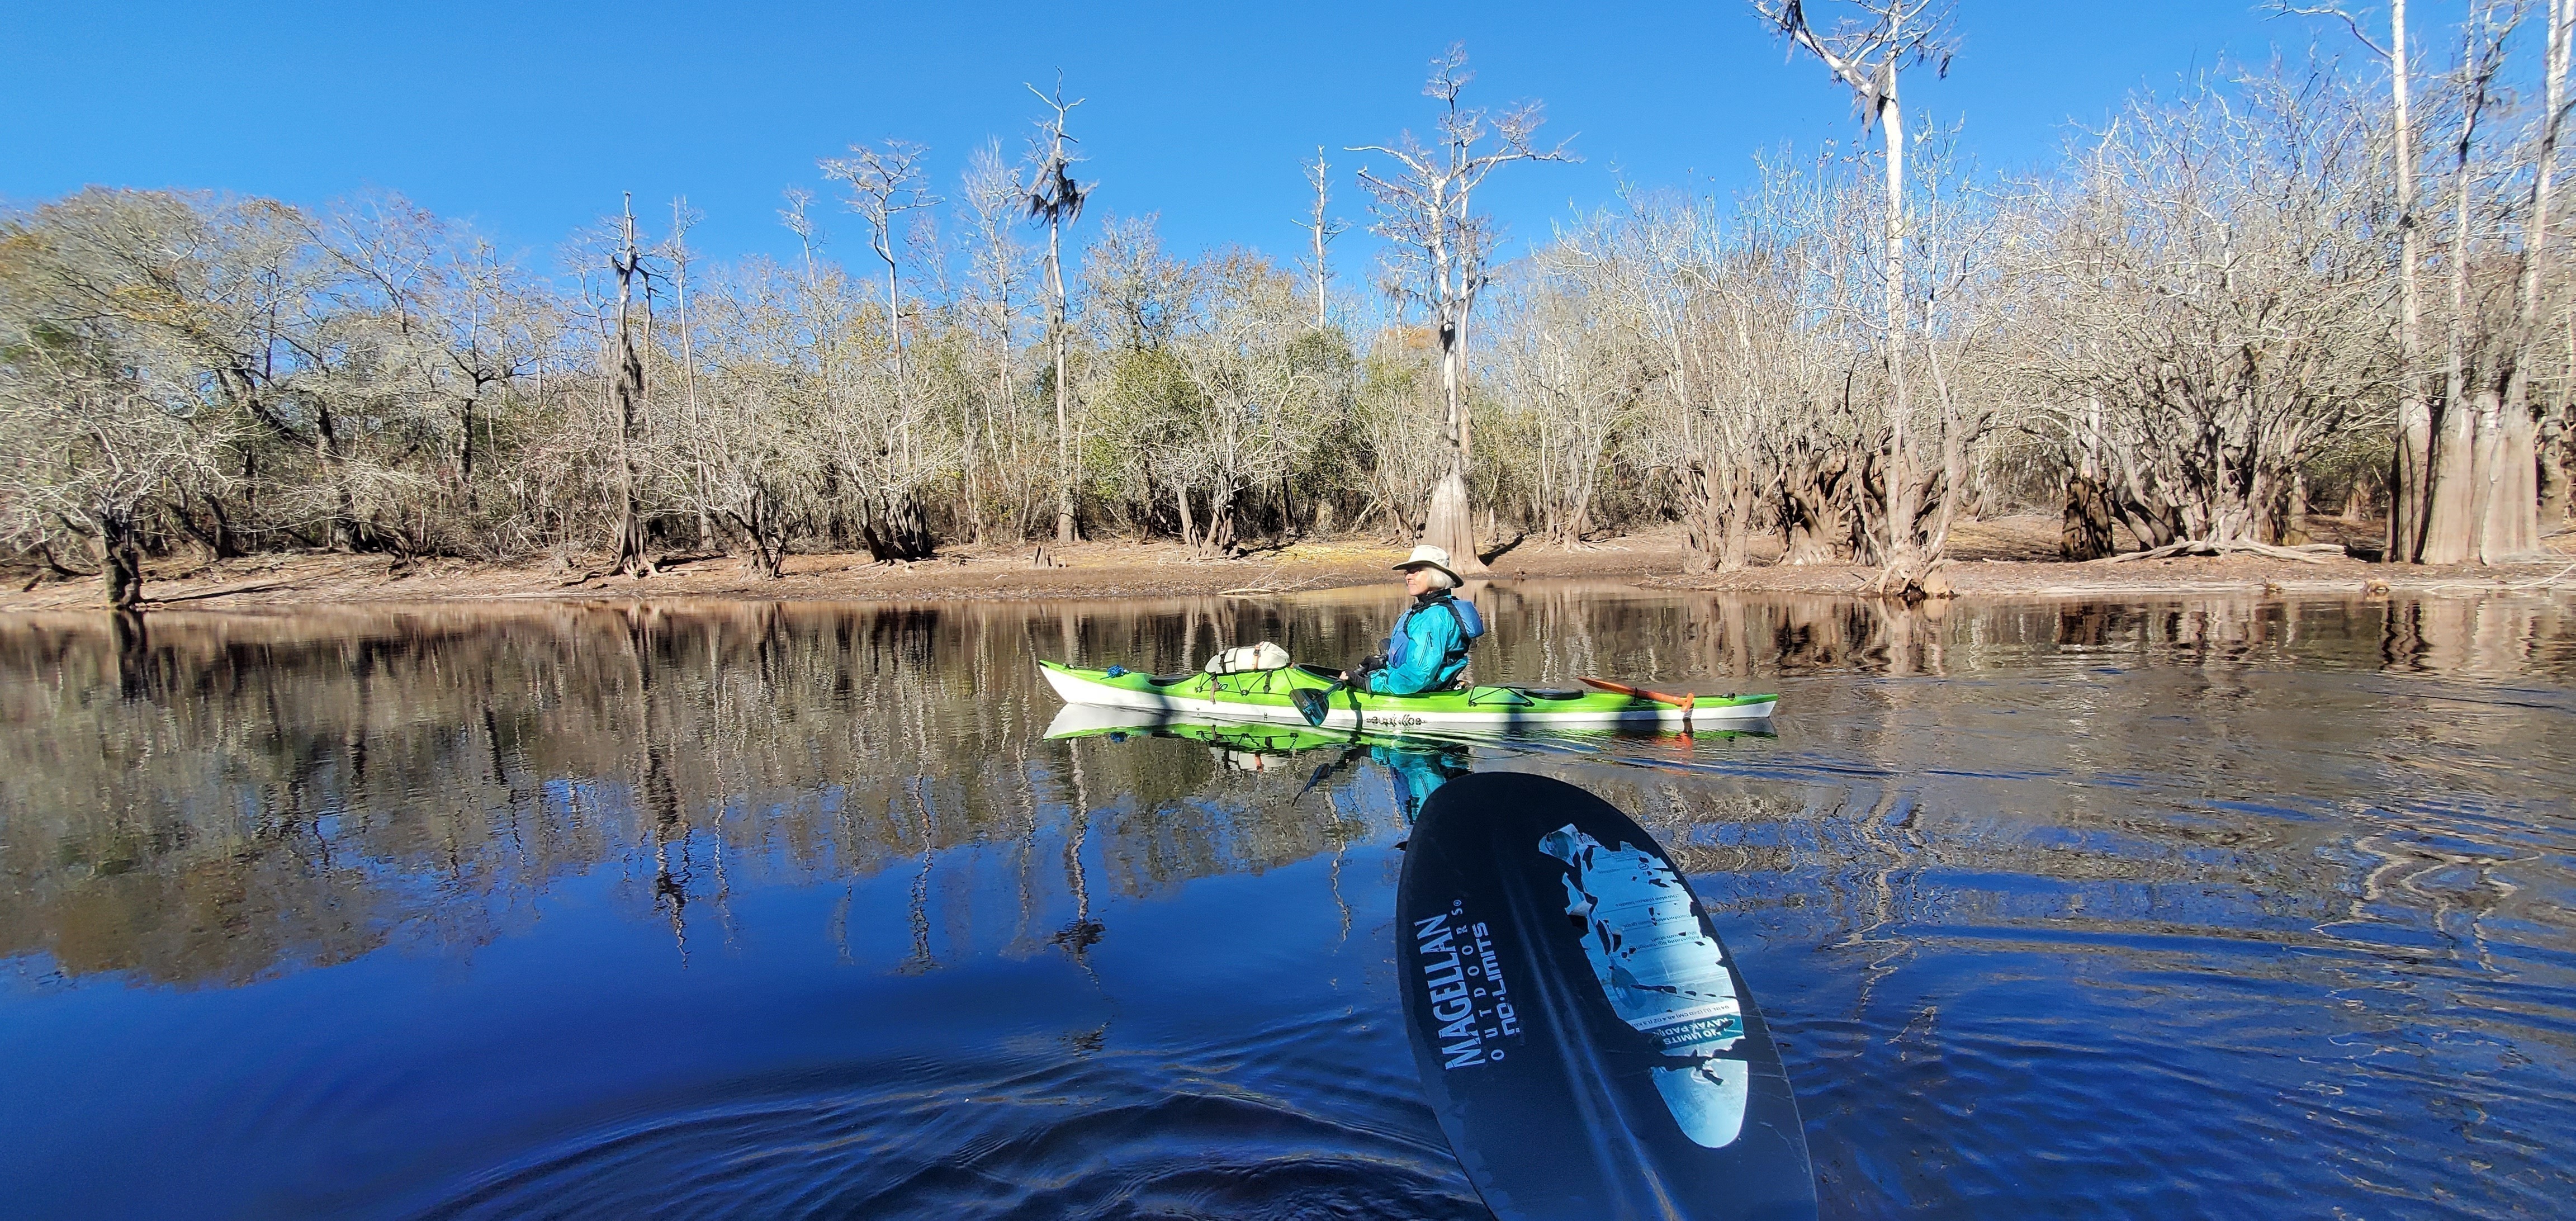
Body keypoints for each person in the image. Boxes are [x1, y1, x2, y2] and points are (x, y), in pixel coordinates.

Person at [1341, 545, 1480, 695]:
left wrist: (1369, 683)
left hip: (1418, 687)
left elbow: (1417, 675)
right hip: (1416, 683)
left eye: (1416, 571)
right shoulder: (1426, 610)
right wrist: (1384, 662)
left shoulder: (1433, 618)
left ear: (1436, 575)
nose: (1408, 577)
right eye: (1407, 572)